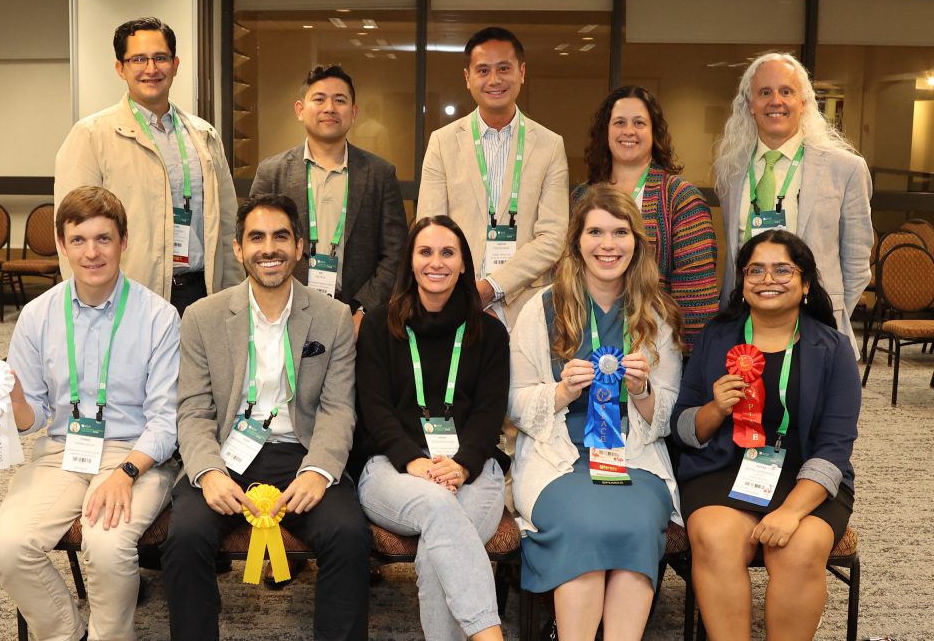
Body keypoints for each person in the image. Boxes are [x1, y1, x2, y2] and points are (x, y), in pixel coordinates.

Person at [160, 194, 370, 640]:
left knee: (349, 535)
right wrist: (208, 472)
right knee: (184, 540)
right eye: (256, 237)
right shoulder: (202, 317)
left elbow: (337, 407)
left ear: (298, 246)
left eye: (280, 237)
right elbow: (194, 409)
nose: (268, 248)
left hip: (302, 453)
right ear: (238, 249)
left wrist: (319, 472)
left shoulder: (332, 318)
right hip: (226, 454)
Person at [0, 186, 180, 641]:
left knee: (107, 545)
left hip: (136, 457)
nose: (92, 253)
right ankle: (68, 635)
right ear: (62, 245)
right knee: (9, 546)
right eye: (79, 240)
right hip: (60, 453)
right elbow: (32, 419)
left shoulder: (159, 318)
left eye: (103, 239)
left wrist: (126, 472)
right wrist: (13, 400)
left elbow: (167, 420)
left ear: (123, 241)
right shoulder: (37, 316)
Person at [509, 187, 683, 639]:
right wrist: (564, 391)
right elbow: (515, 403)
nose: (608, 245)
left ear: (636, 243)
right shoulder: (540, 307)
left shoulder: (656, 313)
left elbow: (667, 416)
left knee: (637, 524)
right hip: (558, 459)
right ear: (577, 241)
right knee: (583, 524)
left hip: (634, 459)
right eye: (596, 232)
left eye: (620, 232)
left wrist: (642, 391)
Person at [670, 229, 859, 640]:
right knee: (716, 537)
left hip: (805, 477)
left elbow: (834, 448)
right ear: (742, 281)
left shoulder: (834, 349)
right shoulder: (714, 337)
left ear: (806, 283)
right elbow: (682, 428)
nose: (767, 279)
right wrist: (714, 408)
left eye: (781, 269)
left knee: (800, 546)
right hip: (723, 469)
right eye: (755, 269)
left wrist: (791, 512)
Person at [355, 215, 510, 641]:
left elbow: (488, 415)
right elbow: (375, 408)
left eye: (447, 252)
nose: (435, 262)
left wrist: (461, 466)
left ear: (463, 264)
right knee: (440, 509)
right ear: (410, 261)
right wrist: (414, 462)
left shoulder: (491, 333)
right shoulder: (379, 325)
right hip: (392, 468)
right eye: (425, 252)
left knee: (435, 553)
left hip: (473, 469)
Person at [55, 16, 243, 316]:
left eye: (160, 58)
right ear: (121, 68)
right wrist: (86, 306)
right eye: (138, 59)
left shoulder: (203, 136)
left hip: (202, 295)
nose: (151, 69)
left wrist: (234, 296)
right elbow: (73, 232)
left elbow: (227, 227)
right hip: (127, 299)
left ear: (175, 64)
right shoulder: (91, 136)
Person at [714, 52, 873, 356]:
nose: (776, 101)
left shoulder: (846, 169)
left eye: (786, 91)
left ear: (803, 103)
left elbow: (856, 262)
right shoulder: (730, 171)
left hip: (817, 330)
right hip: (743, 330)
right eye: (764, 92)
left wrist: (825, 311)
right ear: (750, 104)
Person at [417, 26, 568, 328]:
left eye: (504, 68)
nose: (494, 80)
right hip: (454, 302)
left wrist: (490, 287)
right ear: (467, 78)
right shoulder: (442, 142)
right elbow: (430, 229)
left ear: (522, 72)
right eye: (483, 70)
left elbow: (552, 237)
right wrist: (464, 292)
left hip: (528, 309)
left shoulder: (550, 145)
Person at [251, 64, 407, 336]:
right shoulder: (272, 173)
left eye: (340, 100)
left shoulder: (380, 174)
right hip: (285, 315)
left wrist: (364, 311)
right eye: (319, 99)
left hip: (354, 319)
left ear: (354, 112)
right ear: (300, 110)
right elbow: (253, 243)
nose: (330, 108)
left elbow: (395, 253)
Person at [572, 86, 719, 348]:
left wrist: (683, 357)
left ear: (654, 133)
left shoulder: (680, 197)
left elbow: (696, 299)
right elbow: (569, 270)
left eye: (639, 123)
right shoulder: (583, 197)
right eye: (619, 122)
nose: (629, 131)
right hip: (589, 341)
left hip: (657, 346)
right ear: (606, 132)